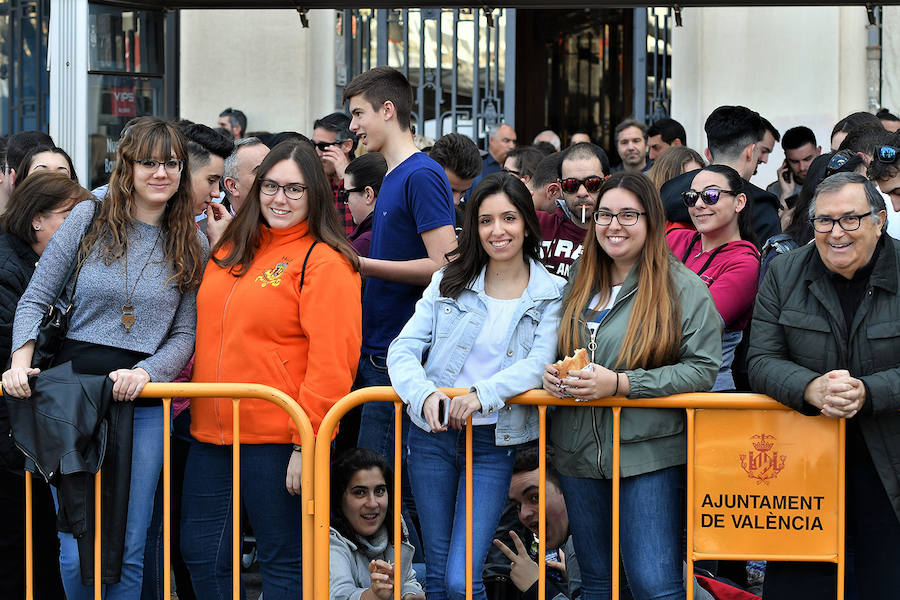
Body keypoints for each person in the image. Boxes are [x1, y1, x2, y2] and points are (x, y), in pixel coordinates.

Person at [2, 118, 207, 599]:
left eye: (171, 164)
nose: (161, 173)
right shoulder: (88, 218)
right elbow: (36, 296)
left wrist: (146, 372)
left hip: (142, 401)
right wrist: (19, 359)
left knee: (128, 549)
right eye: (149, 162)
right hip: (70, 396)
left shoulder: (191, 242)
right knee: (74, 549)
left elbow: (184, 333)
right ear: (126, 167)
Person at [182, 139, 361, 599]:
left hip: (280, 438)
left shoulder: (326, 260)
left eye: (295, 190)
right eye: (272, 186)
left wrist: (308, 440)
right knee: (201, 554)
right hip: (210, 434)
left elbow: (333, 360)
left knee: (284, 564)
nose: (280, 199)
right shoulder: (230, 252)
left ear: (316, 194)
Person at [542, 172, 720, 599]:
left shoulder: (682, 288)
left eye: (627, 215)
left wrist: (622, 384)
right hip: (579, 455)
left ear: (651, 221)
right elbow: (555, 346)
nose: (613, 225)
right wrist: (550, 373)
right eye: (604, 214)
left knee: (653, 585)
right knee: (598, 585)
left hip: (648, 454)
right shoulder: (579, 281)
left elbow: (702, 369)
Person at [387, 173, 565, 599]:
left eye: (508, 218)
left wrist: (482, 394)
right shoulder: (449, 280)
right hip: (432, 435)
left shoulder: (552, 291)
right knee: (436, 576)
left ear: (526, 223)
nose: (497, 230)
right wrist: (424, 393)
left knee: (460, 578)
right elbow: (403, 348)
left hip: (493, 442)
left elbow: (539, 363)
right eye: (485, 221)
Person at [747, 172, 900, 599]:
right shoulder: (784, 272)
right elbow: (758, 359)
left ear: (880, 219)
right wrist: (809, 388)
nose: (836, 233)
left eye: (851, 219)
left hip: (889, 464)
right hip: (802, 470)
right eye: (824, 221)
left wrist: (869, 392)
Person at [0, 172, 91, 600]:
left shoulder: (55, 261)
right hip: (12, 422)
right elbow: (11, 338)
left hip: (33, 417)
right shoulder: (8, 266)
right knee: (19, 540)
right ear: (37, 220)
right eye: (70, 216)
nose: (82, 226)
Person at [668, 165, 759, 391]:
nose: (699, 204)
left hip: (707, 390)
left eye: (711, 195)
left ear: (739, 202)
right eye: (692, 197)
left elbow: (697, 327)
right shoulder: (675, 238)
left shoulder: (745, 262)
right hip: (654, 382)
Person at [329, 448, 425, 600]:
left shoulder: (393, 521)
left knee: (432, 575)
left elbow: (407, 579)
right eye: (360, 492)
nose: (373, 504)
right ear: (340, 498)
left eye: (380, 491)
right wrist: (373, 594)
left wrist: (410, 594)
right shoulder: (330, 538)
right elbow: (339, 596)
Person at [492, 446, 581, 600]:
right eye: (517, 506)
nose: (524, 514)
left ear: (566, 489)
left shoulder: (581, 545)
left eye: (535, 498)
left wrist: (537, 587)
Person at [538, 142, 610, 279]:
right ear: (560, 187)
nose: (582, 193)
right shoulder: (539, 224)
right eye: (571, 185)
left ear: (607, 182)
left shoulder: (619, 233)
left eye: (593, 183)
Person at [313, 112, 359, 236]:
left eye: (323, 146)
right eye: (314, 145)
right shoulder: (317, 182)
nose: (316, 152)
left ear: (347, 146)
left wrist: (346, 178)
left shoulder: (365, 179)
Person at [343, 151, 388, 257]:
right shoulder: (404, 230)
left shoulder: (364, 244)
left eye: (346, 194)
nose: (346, 203)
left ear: (368, 194)